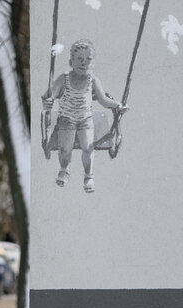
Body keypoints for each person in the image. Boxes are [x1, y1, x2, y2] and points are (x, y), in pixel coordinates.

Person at [42, 39, 128, 193]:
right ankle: (64, 169)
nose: (84, 63)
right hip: (66, 120)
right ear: (71, 61)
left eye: (88, 59)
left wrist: (118, 105)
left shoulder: (93, 80)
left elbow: (103, 100)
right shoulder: (64, 78)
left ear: (93, 62)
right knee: (65, 148)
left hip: (85, 120)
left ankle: (88, 175)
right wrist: (48, 102)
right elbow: (50, 95)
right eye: (80, 59)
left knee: (88, 148)